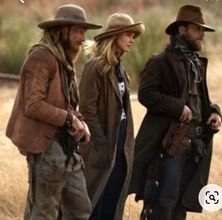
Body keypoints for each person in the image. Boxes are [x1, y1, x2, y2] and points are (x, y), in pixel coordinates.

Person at [6, 4, 102, 220]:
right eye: (78, 31)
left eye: (84, 32)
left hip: (66, 149)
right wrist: (69, 119)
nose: (82, 38)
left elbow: (60, 103)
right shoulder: (42, 57)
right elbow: (34, 104)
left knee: (80, 210)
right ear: (62, 31)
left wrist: (78, 121)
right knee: (44, 213)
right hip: (47, 148)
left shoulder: (62, 61)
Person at [129, 5, 222, 220]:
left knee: (181, 202)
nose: (202, 35)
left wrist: (215, 112)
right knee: (164, 201)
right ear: (182, 30)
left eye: (202, 30)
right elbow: (146, 94)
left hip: (195, 143)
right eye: (197, 29)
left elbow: (202, 100)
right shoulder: (161, 61)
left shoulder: (196, 63)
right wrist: (178, 108)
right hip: (171, 143)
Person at [78, 13, 145, 220]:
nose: (132, 39)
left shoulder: (119, 68)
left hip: (120, 141)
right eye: (128, 34)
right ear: (115, 36)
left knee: (113, 198)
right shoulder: (95, 67)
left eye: (134, 35)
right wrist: (100, 145)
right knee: (94, 199)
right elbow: (87, 110)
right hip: (102, 142)